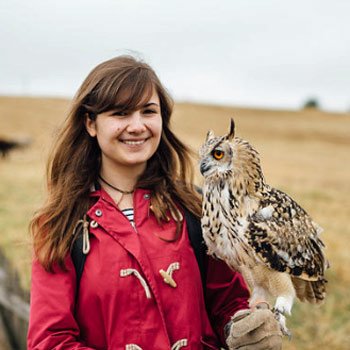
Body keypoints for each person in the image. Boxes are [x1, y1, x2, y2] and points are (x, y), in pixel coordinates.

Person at [27, 55, 282, 349]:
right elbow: (50, 340)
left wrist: (244, 329)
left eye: (148, 111)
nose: (137, 126)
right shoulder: (61, 223)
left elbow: (227, 302)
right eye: (120, 113)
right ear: (91, 123)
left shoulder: (196, 209)